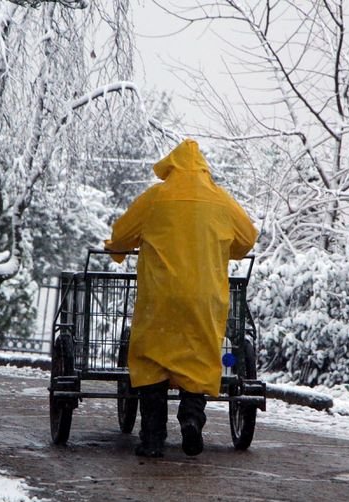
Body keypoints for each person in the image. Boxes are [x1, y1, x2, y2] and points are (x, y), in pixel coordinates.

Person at [104, 138, 258, 458]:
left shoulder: (155, 198)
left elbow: (121, 236)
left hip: (160, 298)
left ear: (171, 167)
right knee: (198, 357)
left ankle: (152, 438)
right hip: (204, 298)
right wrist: (219, 245)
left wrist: (116, 250)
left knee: (152, 361)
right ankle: (191, 418)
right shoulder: (220, 200)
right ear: (203, 168)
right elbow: (246, 239)